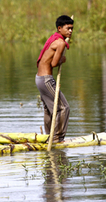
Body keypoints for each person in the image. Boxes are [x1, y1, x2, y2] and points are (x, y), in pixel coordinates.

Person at [35, 15, 74, 143]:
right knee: (64, 107)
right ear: (59, 28)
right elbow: (54, 63)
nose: (70, 31)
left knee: (49, 109)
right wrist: (63, 59)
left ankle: (49, 136)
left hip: (39, 78)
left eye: (72, 28)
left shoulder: (54, 38)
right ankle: (57, 137)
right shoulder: (60, 42)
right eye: (68, 28)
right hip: (46, 79)